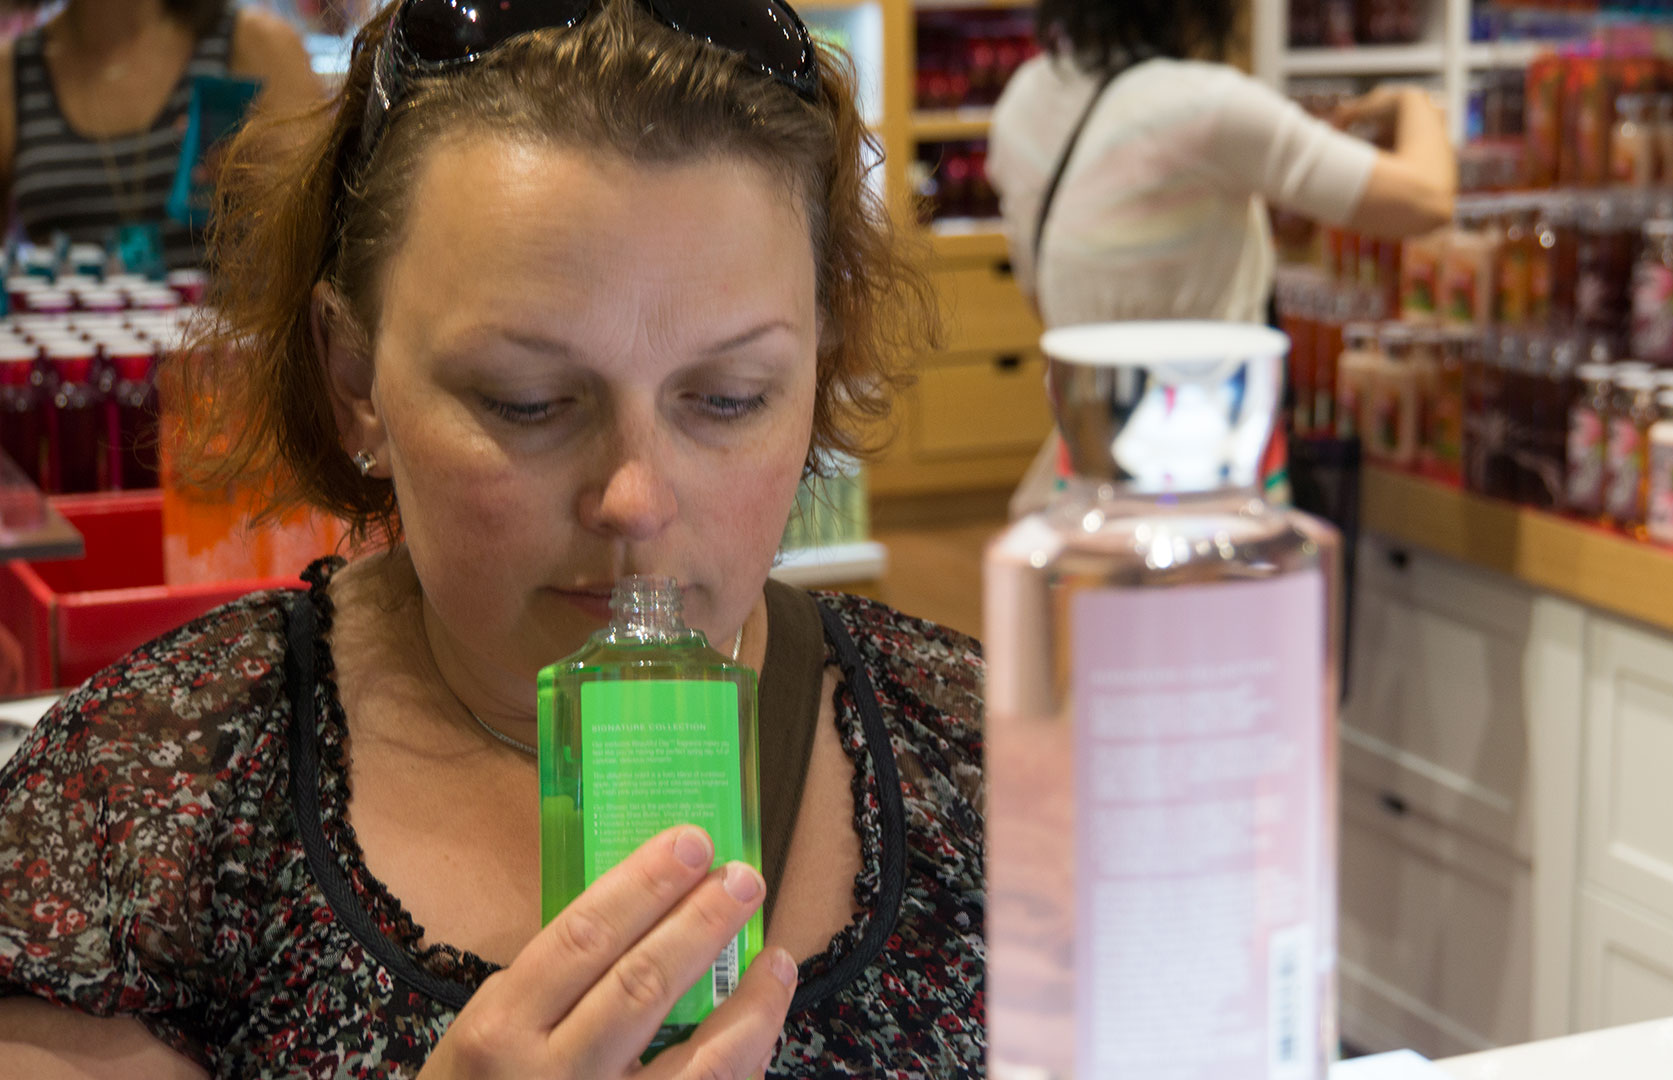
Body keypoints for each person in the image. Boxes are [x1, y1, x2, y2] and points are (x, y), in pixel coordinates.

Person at [0, 2, 980, 1077]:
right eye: (526, 401)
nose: (635, 499)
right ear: (355, 379)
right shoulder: (145, 805)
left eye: (731, 397)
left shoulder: (980, 762)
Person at [985, 0, 1457, 329]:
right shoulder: (1206, 104)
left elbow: (1047, 291)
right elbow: (1427, 199)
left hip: (1086, 427)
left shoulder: (1022, 101)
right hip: (1209, 424)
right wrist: (1414, 102)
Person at [0, 0, 324, 269]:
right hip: (66, 327)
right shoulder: (12, 72)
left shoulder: (258, 46)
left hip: (228, 329)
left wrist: (282, 190)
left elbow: (327, 242)